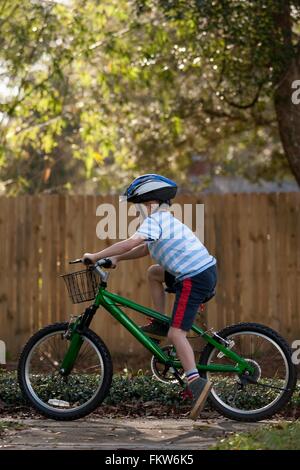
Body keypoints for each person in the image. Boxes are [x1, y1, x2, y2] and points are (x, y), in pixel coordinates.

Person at [82, 174, 217, 420]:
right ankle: (161, 320)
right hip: (200, 273)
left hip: (194, 277)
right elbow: (144, 248)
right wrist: (117, 259)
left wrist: (96, 254)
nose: (137, 212)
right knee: (154, 272)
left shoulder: (155, 220)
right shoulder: (164, 221)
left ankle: (196, 384)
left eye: (138, 206)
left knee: (177, 335)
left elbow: (130, 242)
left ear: (151, 204)